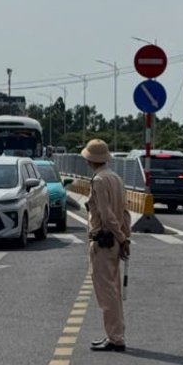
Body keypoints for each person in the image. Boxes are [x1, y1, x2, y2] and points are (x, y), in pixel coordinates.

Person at [82, 139, 130, 352]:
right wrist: (125, 238)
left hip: (103, 241)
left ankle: (115, 338)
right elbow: (125, 213)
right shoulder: (116, 178)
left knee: (107, 292)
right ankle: (115, 334)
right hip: (114, 242)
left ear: (90, 160)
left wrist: (121, 237)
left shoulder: (99, 181)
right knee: (114, 290)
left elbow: (106, 214)